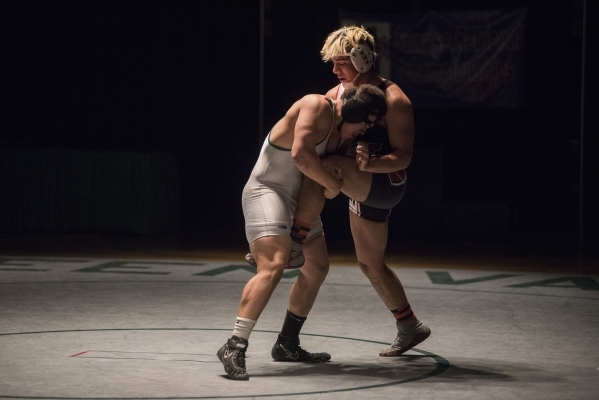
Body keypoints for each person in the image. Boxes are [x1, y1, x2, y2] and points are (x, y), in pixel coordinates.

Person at [266, 25, 432, 359]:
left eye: (341, 61)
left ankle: (296, 240)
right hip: (360, 182)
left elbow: (404, 157)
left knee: (327, 169)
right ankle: (410, 325)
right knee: (370, 264)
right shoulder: (336, 95)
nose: (334, 69)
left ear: (364, 59)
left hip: (386, 182)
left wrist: (371, 164)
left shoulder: (395, 100)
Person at [217, 84, 388, 380]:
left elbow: (317, 175)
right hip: (267, 191)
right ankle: (234, 344)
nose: (364, 131)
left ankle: (287, 343)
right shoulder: (315, 106)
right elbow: (301, 156)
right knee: (273, 265)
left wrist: (345, 167)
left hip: (296, 201)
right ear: (351, 111)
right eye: (365, 124)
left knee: (317, 267)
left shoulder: (342, 135)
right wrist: (333, 185)